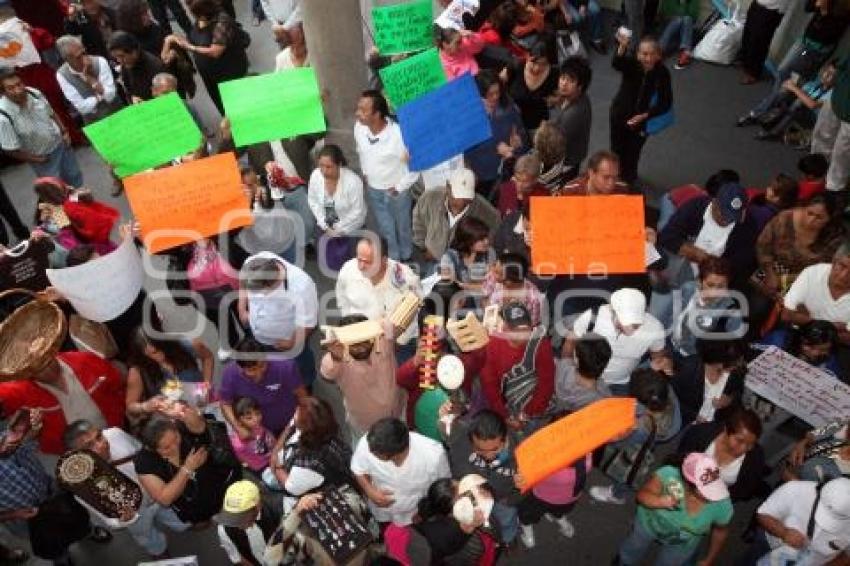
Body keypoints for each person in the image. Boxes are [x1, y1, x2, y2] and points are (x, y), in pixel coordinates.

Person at [0, 302, 124, 455]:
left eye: (48, 359)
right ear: (26, 372)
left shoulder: (86, 361)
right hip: (77, 459)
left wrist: (129, 415)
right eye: (39, 368)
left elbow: (118, 383)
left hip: (115, 437)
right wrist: (28, 430)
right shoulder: (18, 391)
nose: (48, 368)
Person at [62, 419, 174, 558]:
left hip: (159, 493)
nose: (101, 444)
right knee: (148, 537)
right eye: (89, 445)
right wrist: (125, 519)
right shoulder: (82, 486)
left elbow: (142, 452)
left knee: (176, 517)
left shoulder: (115, 434)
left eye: (99, 436)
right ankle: (159, 551)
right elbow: (110, 521)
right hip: (137, 516)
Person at [0, 410, 94, 566]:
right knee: (51, 543)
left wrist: (33, 429)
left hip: (53, 491)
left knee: (77, 518)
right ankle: (61, 558)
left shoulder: (4, 438)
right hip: (25, 518)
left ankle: (87, 532)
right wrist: (14, 513)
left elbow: (28, 446)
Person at [616, 452, 733, 565]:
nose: (715, 494)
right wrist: (658, 501)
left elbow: (720, 532)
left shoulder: (723, 504)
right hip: (648, 524)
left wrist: (709, 559)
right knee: (634, 547)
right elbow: (642, 495)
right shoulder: (668, 475)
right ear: (687, 483)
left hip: (682, 544)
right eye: (707, 490)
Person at [135, 405, 241, 529]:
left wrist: (190, 415)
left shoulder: (181, 427)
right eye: (167, 447)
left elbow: (203, 428)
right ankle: (205, 522)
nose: (175, 447)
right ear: (153, 449)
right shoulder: (145, 462)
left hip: (219, 485)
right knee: (203, 521)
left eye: (175, 438)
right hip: (193, 506)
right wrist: (187, 468)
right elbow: (165, 499)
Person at [440, 409, 522, 545]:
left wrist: (515, 495)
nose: (489, 456)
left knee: (507, 520)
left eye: (495, 449)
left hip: (503, 500)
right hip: (474, 498)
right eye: (480, 450)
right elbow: (445, 428)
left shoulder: (520, 453)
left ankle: (508, 539)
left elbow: (528, 486)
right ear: (470, 439)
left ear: (505, 438)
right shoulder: (459, 441)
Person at [659, 182, 760, 292]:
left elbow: (740, 265)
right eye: (724, 214)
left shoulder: (748, 228)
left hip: (710, 281)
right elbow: (667, 236)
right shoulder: (695, 207)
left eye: (734, 217)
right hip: (678, 263)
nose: (727, 220)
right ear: (714, 202)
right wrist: (702, 257)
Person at [320, 314, 406, 444]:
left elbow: (395, 319)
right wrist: (336, 356)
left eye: (365, 341)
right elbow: (327, 372)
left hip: (397, 412)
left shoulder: (383, 338)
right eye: (354, 344)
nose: (361, 347)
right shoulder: (338, 357)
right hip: (365, 427)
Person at [566, 288, 668, 396]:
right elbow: (570, 343)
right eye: (621, 324)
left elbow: (658, 357)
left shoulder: (654, 329)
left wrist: (663, 363)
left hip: (620, 384)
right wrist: (567, 370)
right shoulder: (591, 317)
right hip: (583, 377)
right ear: (612, 310)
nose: (627, 330)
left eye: (635, 325)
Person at [354, 90, 417, 261]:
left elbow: (414, 166)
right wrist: (366, 173)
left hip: (396, 191)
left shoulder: (399, 134)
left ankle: (407, 255)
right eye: (358, 108)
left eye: (363, 110)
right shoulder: (359, 129)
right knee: (385, 227)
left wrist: (399, 188)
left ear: (377, 114)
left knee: (403, 226)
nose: (357, 113)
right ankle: (393, 258)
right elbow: (361, 152)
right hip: (374, 189)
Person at [237, 252, 319, 385]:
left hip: (287, 342)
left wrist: (292, 343)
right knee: (270, 365)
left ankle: (306, 384)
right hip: (259, 337)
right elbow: (242, 284)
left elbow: (308, 323)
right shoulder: (252, 262)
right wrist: (241, 308)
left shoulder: (302, 286)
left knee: (300, 367)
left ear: (271, 284)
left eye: (259, 291)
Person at [351, 418, 450, 526]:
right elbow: (358, 469)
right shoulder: (368, 442)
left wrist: (425, 513)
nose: (369, 451)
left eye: (374, 453)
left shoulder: (434, 455)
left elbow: (442, 489)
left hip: (413, 515)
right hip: (382, 513)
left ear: (392, 455)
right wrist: (369, 490)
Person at [335, 235, 422, 352]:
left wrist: (395, 344)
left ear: (384, 260)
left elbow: (413, 315)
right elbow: (342, 300)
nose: (361, 266)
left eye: (367, 262)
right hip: (359, 340)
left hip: (397, 345)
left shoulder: (406, 280)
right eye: (359, 259)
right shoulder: (348, 270)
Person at [0, 68, 83, 187]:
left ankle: (81, 201)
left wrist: (64, 132)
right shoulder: (3, 116)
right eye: (11, 88)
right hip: (43, 158)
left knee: (75, 177)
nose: (18, 90)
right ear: (3, 92)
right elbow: (10, 150)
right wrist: (37, 159)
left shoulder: (33, 93)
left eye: (19, 84)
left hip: (61, 144)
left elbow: (51, 113)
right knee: (57, 189)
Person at [480, 302, 555, 432]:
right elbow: (489, 384)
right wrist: (505, 415)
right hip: (504, 399)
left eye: (525, 329)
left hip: (533, 399)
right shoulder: (492, 344)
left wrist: (526, 414)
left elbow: (546, 382)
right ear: (505, 328)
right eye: (515, 330)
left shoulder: (539, 342)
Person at [164, 0, 248, 115]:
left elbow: (215, 51)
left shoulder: (222, 22)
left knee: (239, 105)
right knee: (222, 105)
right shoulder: (201, 19)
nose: (190, 13)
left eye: (192, 11)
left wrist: (190, 47)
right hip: (210, 77)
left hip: (229, 74)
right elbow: (194, 38)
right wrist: (174, 40)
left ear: (204, 11)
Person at [742, 477, 850, 565]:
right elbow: (762, 514)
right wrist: (783, 532)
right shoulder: (794, 489)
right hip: (770, 545)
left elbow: (846, 556)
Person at [610, 34, 672, 185]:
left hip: (641, 124)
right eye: (644, 54)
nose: (648, 58)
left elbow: (666, 101)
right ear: (637, 54)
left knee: (632, 153)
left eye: (652, 54)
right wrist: (622, 47)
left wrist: (645, 115)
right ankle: (613, 179)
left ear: (658, 55)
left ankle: (629, 180)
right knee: (616, 150)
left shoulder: (663, 73)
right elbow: (617, 63)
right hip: (619, 116)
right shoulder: (632, 65)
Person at [266, 396, 353, 502]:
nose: (295, 413)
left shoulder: (311, 463)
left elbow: (292, 487)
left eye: (297, 412)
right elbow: (291, 425)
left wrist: (278, 468)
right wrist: (277, 450)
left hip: (313, 492)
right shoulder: (320, 428)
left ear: (304, 424)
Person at [219, 337, 307, 438]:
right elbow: (225, 403)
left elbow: (302, 396)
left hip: (289, 425)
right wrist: (237, 426)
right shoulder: (230, 374)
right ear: (240, 367)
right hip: (256, 431)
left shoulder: (286, 366)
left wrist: (302, 419)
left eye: (262, 365)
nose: (259, 373)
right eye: (252, 370)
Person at [413, 167, 501, 264]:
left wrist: (473, 255)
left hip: (463, 264)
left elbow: (493, 234)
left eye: (466, 196)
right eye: (457, 195)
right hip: (430, 258)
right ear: (448, 187)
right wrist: (423, 248)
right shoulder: (429, 198)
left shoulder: (487, 212)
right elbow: (417, 223)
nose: (461, 201)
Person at [677, 408, 766, 502]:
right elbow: (680, 461)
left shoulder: (756, 458)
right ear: (726, 430)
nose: (744, 449)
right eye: (739, 441)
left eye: (750, 444)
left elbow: (742, 490)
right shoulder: (699, 434)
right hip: (686, 484)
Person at [125, 327, 214, 420]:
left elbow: (208, 357)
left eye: (156, 351)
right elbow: (130, 406)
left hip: (202, 401)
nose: (155, 357)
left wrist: (206, 385)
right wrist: (145, 406)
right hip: (176, 419)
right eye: (148, 355)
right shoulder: (138, 371)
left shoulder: (185, 344)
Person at [465, 70, 529, 197]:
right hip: (480, 173)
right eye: (490, 94)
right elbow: (467, 147)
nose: (495, 97)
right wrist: (496, 147)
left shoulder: (508, 106)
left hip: (505, 171)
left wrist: (518, 145)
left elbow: (522, 136)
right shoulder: (468, 114)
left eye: (498, 92)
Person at [667, 257, 744, 360]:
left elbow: (731, 347)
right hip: (668, 345)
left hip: (692, 359)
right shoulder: (688, 288)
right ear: (699, 281)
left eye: (721, 286)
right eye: (710, 285)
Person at [306, 144, 367, 272]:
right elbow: (313, 201)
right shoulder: (316, 176)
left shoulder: (353, 182)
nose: (324, 171)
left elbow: (357, 211)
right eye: (321, 166)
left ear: (339, 164)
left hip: (350, 226)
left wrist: (339, 228)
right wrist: (325, 224)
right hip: (327, 224)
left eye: (329, 167)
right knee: (330, 261)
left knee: (352, 262)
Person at [781, 245, 850, 352]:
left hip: (832, 346)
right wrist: (833, 326)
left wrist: (804, 318)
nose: (843, 276)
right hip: (796, 333)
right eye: (842, 266)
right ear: (834, 261)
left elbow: (847, 339)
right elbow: (787, 315)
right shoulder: (812, 273)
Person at [517, 450, 592, 547]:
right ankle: (565, 525)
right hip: (568, 499)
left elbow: (529, 478)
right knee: (558, 512)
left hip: (541, 498)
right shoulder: (588, 460)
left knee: (527, 515)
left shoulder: (548, 468)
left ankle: (529, 538)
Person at [671, 339, 745, 426]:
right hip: (687, 423)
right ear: (719, 362)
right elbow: (672, 400)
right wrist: (694, 416)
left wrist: (729, 400)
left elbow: (738, 391)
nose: (738, 366)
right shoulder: (688, 368)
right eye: (735, 364)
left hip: (717, 423)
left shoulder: (736, 371)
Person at [55, 35, 122, 125]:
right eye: (78, 56)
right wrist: (99, 97)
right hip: (94, 123)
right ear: (67, 59)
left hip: (117, 114)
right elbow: (82, 108)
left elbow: (110, 95)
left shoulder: (100, 61)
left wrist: (91, 80)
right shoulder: (62, 75)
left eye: (84, 52)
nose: (84, 58)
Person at [213, 480, 278, 566]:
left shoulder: (280, 509)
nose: (238, 526)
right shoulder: (224, 529)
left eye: (241, 516)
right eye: (232, 516)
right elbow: (238, 558)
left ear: (257, 506)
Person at [548, 56, 593, 175]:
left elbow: (554, 144)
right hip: (575, 153)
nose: (563, 84)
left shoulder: (574, 114)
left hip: (567, 162)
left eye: (571, 81)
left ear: (580, 87)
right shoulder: (579, 96)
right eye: (562, 78)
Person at [811, 56, 850, 193]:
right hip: (837, 98)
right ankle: (813, 177)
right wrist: (835, 77)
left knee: (841, 159)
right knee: (821, 138)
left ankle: (830, 193)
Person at [504, 39, 558, 132]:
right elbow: (499, 83)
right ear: (528, 56)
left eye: (543, 64)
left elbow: (559, 96)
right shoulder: (516, 66)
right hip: (514, 123)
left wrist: (554, 100)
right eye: (534, 62)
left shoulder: (554, 74)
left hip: (539, 125)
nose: (537, 68)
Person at [482, 251, 546, 326]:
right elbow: (484, 298)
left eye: (497, 273)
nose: (492, 273)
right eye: (495, 267)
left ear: (510, 280)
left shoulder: (533, 298)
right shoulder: (491, 278)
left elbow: (532, 325)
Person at [553, 332, 613, 413]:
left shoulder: (563, 370)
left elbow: (566, 356)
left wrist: (571, 337)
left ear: (576, 360)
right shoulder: (604, 398)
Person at [739, 0, 792, 84]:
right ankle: (745, 62)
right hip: (758, 4)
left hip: (772, 10)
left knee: (760, 41)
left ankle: (753, 73)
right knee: (748, 33)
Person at [785, 419, 849, 484]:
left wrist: (795, 482)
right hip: (790, 469)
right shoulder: (841, 424)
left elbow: (831, 492)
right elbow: (813, 436)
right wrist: (803, 443)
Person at [108, 31, 166, 102]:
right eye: (116, 57)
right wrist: (133, 97)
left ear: (134, 51)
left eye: (121, 56)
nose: (119, 60)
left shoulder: (155, 67)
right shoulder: (126, 64)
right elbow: (129, 90)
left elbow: (165, 98)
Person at [226, 397, 277, 475]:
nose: (256, 419)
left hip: (273, 458)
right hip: (261, 469)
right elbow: (241, 461)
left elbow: (271, 440)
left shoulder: (258, 427)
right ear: (239, 421)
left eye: (258, 413)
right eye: (249, 418)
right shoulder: (237, 443)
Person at [496, 153, 549, 218]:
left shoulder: (543, 196)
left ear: (535, 180)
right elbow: (499, 214)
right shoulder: (506, 189)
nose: (519, 185)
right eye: (518, 179)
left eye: (525, 181)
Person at [555, 149, 630, 195]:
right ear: (591, 173)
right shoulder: (570, 191)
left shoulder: (622, 189)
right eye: (606, 177)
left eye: (615, 177)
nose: (611, 183)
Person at [657, 0, 700, 69]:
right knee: (679, 19)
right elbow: (665, 13)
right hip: (669, 23)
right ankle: (659, 49)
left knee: (687, 19)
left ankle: (685, 52)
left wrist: (684, 3)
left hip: (684, 25)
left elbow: (694, 16)